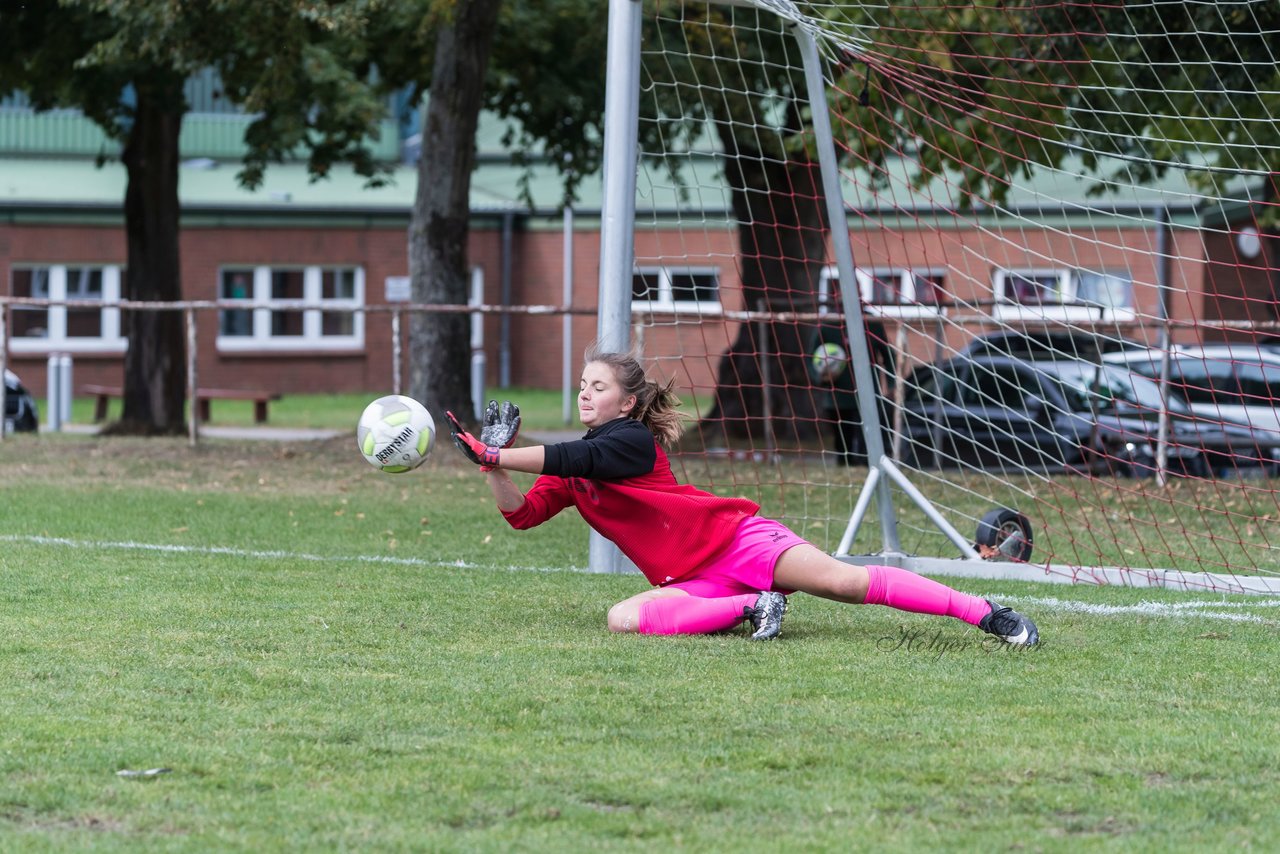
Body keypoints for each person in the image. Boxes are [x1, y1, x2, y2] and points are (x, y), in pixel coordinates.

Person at [445, 344, 1039, 645]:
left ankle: (986, 614)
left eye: (596, 387)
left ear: (626, 404)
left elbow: (577, 455)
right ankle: (754, 608)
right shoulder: (575, 468)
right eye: (581, 386)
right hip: (693, 581)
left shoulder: (628, 442)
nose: (584, 396)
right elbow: (522, 516)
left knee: (845, 583)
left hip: (734, 543)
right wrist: (489, 467)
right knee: (622, 618)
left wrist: (499, 453)